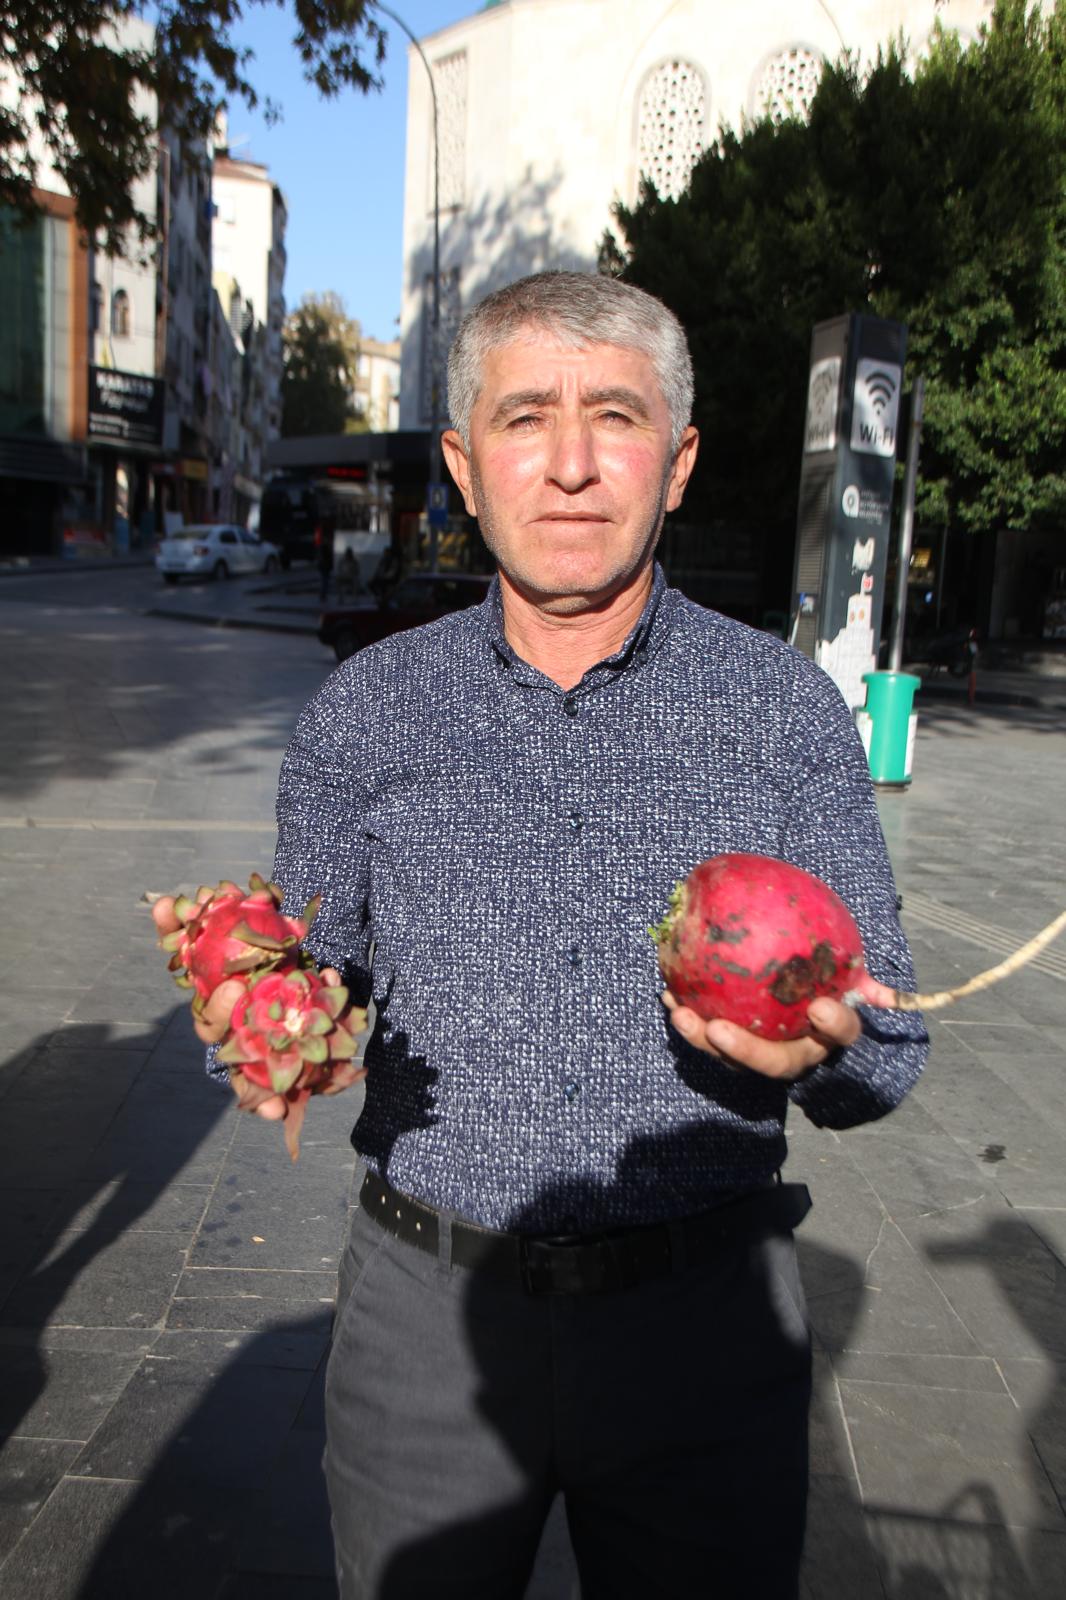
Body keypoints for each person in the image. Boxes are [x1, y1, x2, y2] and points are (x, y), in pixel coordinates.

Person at [204, 272, 928, 1597]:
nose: (575, 465)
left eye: (617, 415)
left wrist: (821, 1054)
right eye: (526, 417)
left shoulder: (781, 713)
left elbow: (889, 1047)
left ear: (680, 460)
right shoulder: (365, 712)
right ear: (463, 466)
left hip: (702, 1329)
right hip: (425, 1324)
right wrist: (261, 1021)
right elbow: (304, 990)